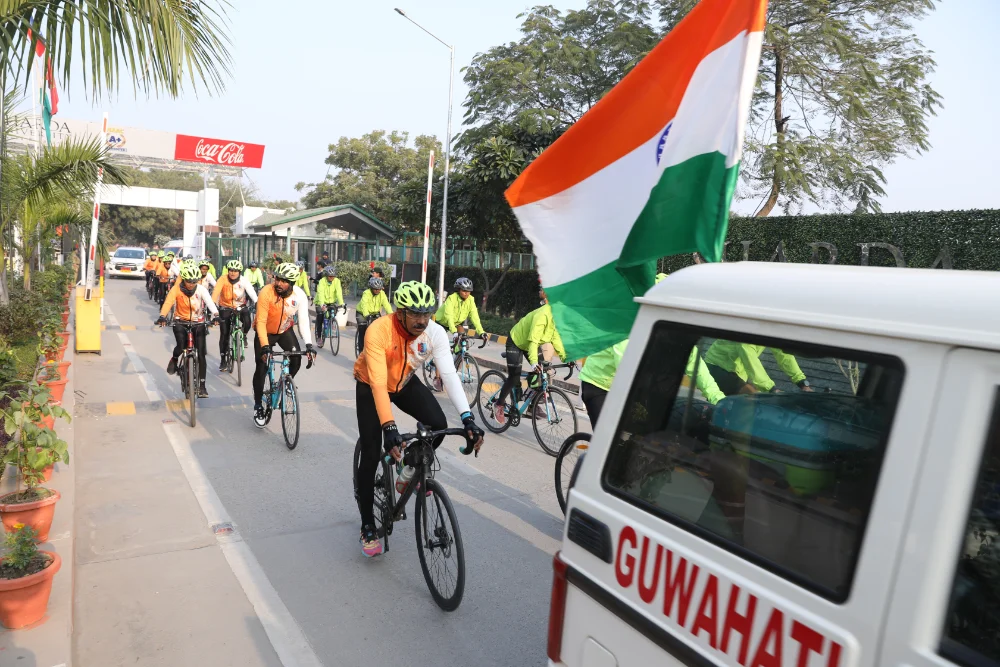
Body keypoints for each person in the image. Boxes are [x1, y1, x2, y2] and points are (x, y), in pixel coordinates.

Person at [354, 280, 485, 557]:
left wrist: (468, 419)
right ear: (400, 311)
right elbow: (378, 382)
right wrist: (389, 427)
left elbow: (448, 374)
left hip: (404, 383)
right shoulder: (379, 330)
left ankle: (409, 469)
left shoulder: (434, 333)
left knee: (437, 426)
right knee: (369, 452)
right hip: (371, 384)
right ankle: (367, 524)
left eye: (426, 313)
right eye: (415, 314)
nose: (422, 320)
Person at [494, 287, 571, 425]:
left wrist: (566, 358)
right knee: (514, 377)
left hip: (530, 343)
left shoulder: (555, 317)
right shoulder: (542, 315)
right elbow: (533, 341)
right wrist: (534, 362)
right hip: (516, 342)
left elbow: (555, 338)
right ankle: (499, 404)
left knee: (543, 372)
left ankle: (531, 406)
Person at [252, 262, 315, 427]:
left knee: (296, 359)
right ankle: (258, 405)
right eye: (277, 279)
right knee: (261, 367)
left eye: (284, 281)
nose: (279, 283)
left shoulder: (299, 295)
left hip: (284, 331)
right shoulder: (266, 292)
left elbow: (303, 321)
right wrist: (265, 346)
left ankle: (287, 382)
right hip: (265, 332)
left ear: (292, 283)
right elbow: (260, 321)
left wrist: (309, 345)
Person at [157, 261, 219, 398]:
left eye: (194, 281)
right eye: (189, 281)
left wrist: (216, 315)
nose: (191, 283)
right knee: (180, 345)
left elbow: (209, 302)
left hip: (198, 323)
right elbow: (168, 302)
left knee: (201, 354)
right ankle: (174, 359)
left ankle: (202, 386)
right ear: (183, 279)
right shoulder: (176, 289)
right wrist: (162, 316)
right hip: (180, 321)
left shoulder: (201, 289)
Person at [431, 276, 488, 390]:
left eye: (468, 291)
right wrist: (454, 332)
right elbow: (449, 316)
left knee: (463, 345)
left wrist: (481, 332)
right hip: (442, 322)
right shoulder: (452, 298)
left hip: (457, 323)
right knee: (440, 349)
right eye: (464, 291)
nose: (466, 293)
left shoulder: (471, 300)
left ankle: (453, 364)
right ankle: (438, 378)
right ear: (458, 290)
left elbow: (475, 317)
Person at [703, 341, 813, 395]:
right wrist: (771, 389)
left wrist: (802, 382)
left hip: (736, 371)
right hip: (717, 366)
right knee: (752, 397)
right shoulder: (748, 330)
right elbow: (750, 359)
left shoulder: (770, 328)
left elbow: (783, 354)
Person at [212, 260, 258, 371]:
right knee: (224, 334)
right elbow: (216, 292)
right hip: (225, 307)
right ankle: (223, 360)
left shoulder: (243, 280)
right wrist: (213, 305)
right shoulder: (222, 279)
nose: (233, 273)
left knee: (247, 322)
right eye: (231, 270)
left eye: (235, 271)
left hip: (240, 306)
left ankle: (244, 335)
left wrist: (257, 302)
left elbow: (251, 292)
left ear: (239, 272)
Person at [355, 276, 392, 351]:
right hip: (362, 313)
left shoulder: (382, 294)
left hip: (375, 313)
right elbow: (364, 305)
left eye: (379, 289)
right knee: (362, 330)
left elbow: (386, 305)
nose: (378, 290)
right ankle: (361, 351)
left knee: (380, 330)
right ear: (371, 288)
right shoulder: (366, 293)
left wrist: (392, 315)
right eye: (375, 289)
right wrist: (366, 315)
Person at [314, 265, 344, 339]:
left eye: (333, 276)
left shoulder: (337, 281)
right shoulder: (322, 281)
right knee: (320, 317)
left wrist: (341, 303)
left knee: (333, 312)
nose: (332, 278)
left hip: (331, 302)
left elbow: (339, 293)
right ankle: (319, 337)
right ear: (326, 276)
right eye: (330, 276)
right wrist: (322, 304)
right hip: (320, 302)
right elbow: (320, 293)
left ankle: (331, 323)